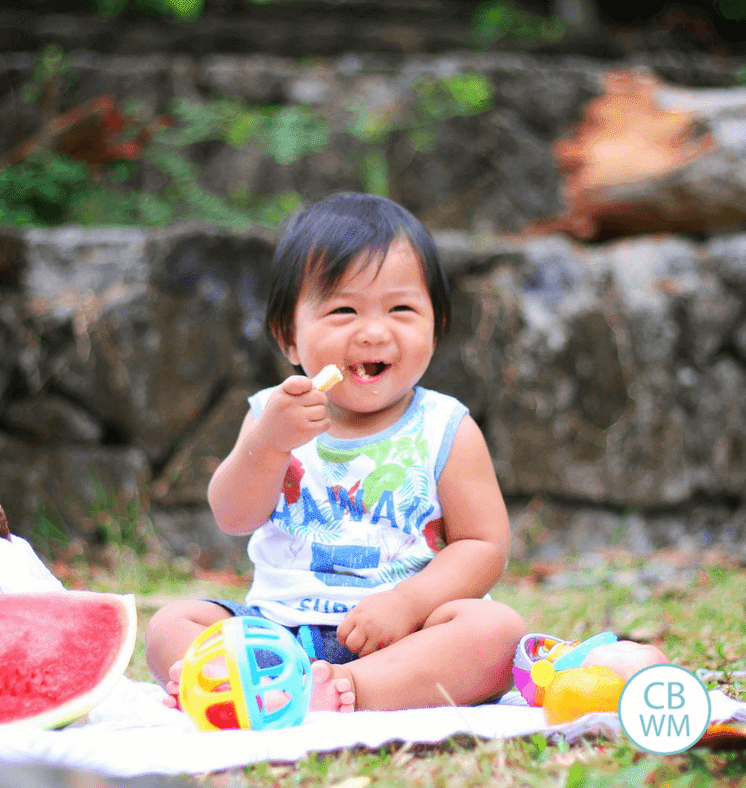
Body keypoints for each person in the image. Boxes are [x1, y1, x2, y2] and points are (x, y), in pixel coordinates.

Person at [145, 192, 528, 712]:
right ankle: (259, 684)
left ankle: (353, 690)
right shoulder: (271, 415)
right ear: (290, 339)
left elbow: (483, 545)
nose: (373, 331)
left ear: (435, 329)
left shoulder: (446, 427)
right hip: (276, 632)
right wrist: (268, 445)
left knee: (496, 631)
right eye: (344, 309)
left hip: (403, 634)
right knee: (172, 625)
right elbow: (233, 516)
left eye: (401, 309)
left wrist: (406, 603)